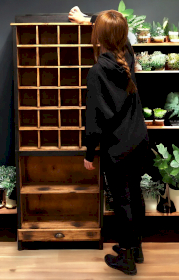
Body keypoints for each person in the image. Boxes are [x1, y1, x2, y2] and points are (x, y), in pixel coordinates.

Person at [69, 8, 149, 276]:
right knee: (134, 194)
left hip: (117, 147)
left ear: (98, 36)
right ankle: (136, 247)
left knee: (123, 200)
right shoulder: (127, 53)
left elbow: (93, 121)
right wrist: (89, 18)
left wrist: (89, 154)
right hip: (139, 140)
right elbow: (118, 30)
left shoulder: (96, 72)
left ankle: (126, 257)